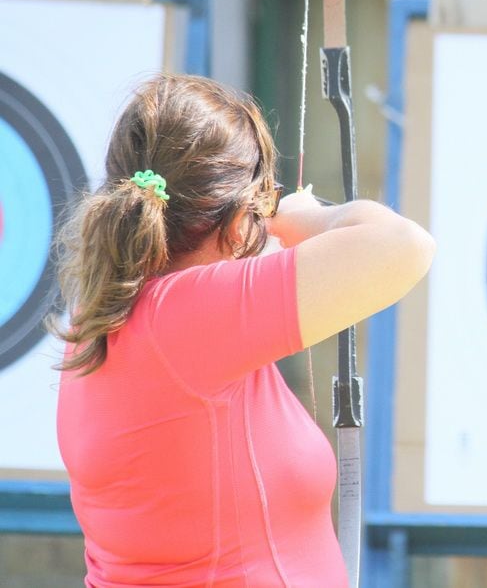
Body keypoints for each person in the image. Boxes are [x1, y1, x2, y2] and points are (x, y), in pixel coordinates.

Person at [50, 74, 435, 586]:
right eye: (263, 201)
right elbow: (404, 247)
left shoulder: (107, 315)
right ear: (238, 221)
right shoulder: (186, 319)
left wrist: (261, 221)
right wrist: (311, 219)